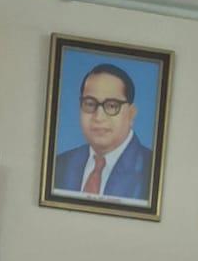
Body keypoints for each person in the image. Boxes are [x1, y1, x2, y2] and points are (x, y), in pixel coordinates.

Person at [53, 62, 152, 203]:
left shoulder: (151, 171)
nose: (98, 117)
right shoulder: (59, 165)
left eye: (111, 106)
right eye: (90, 104)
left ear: (131, 114)